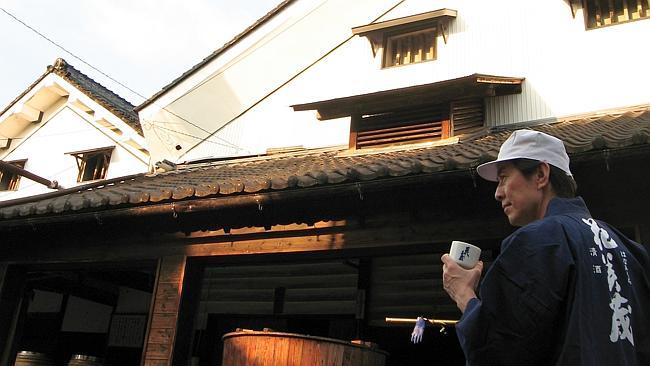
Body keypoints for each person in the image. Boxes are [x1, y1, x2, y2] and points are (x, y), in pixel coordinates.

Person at [441, 129, 650, 365]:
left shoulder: (536, 242)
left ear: (541, 174)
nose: (498, 193)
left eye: (503, 178)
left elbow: (499, 349)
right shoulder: (631, 250)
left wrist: (463, 293)